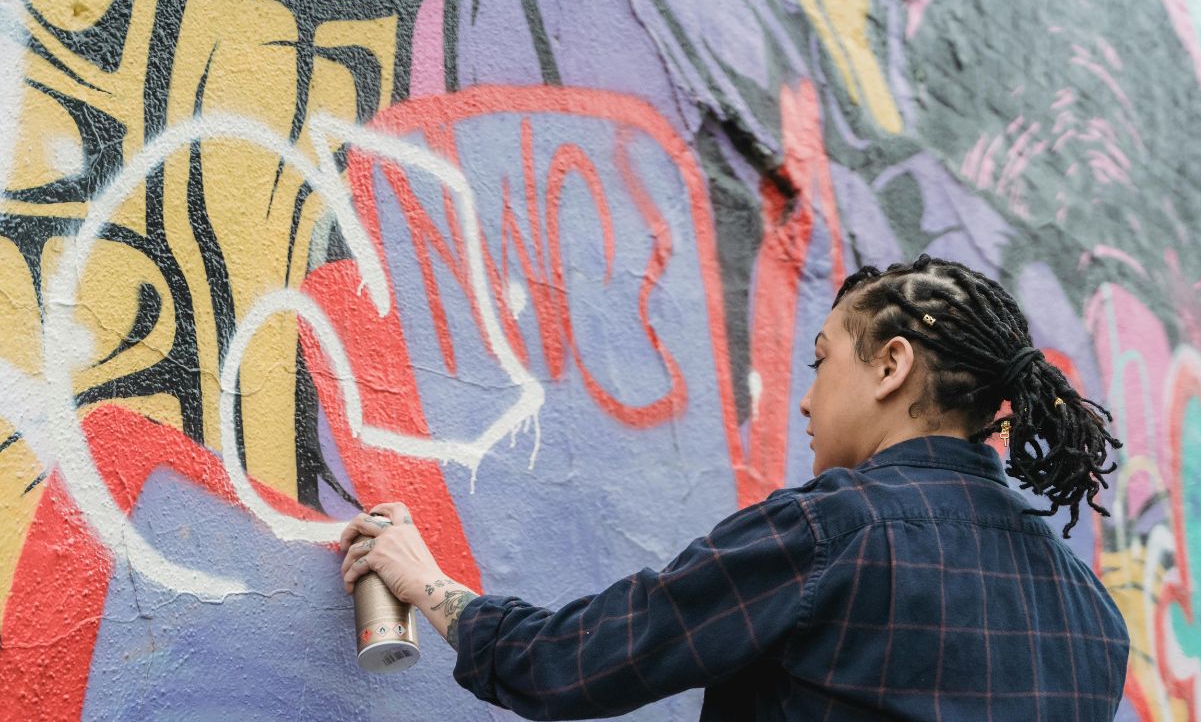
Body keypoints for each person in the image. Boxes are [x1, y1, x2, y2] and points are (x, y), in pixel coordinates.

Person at [339, 254, 1130, 721]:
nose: (806, 398)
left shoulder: (834, 531)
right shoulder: (1092, 613)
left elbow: (566, 664)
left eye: (821, 361)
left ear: (890, 366)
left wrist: (430, 583)